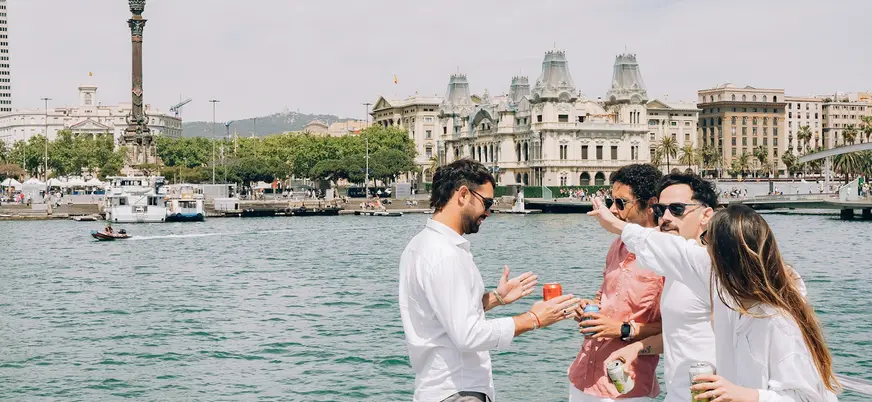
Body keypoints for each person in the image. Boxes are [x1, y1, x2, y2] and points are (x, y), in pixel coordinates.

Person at [588, 201, 839, 400]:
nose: (703, 249)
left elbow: (807, 397)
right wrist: (617, 226)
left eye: (708, 242)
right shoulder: (724, 287)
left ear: (724, 256)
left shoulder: (778, 320)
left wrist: (744, 395)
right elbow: (675, 252)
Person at [399, 159, 581, 402]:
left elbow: (444, 312)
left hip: (439, 387)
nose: (488, 212)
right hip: (458, 390)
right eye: (487, 203)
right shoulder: (445, 255)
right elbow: (468, 335)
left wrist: (496, 298)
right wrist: (533, 319)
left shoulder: (419, 245)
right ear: (463, 194)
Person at [603, 173, 718, 402]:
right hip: (678, 394)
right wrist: (636, 349)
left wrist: (615, 224)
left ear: (706, 215)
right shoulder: (675, 271)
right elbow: (682, 335)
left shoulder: (714, 267)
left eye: (676, 209)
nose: (665, 217)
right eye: (660, 210)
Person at [569, 164, 665, 402]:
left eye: (621, 203)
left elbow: (679, 329)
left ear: (650, 204)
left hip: (626, 387)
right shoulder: (617, 246)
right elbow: (603, 298)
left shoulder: (666, 258)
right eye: (612, 201)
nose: (613, 209)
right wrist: (586, 307)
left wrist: (621, 329)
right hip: (582, 377)